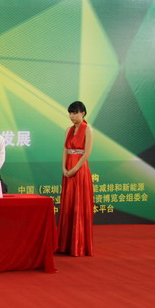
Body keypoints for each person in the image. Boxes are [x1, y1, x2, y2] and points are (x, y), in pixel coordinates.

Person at [57, 101, 94, 257]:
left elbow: (87, 153)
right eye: (70, 113)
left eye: (75, 113)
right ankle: (65, 244)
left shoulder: (88, 129)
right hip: (68, 169)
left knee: (78, 204)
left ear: (83, 113)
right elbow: (65, 150)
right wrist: (64, 168)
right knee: (68, 204)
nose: (72, 116)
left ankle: (78, 245)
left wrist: (74, 169)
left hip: (80, 170)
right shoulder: (68, 130)